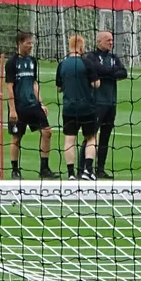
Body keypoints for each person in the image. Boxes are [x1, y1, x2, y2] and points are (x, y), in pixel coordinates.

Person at [3, 30, 58, 180]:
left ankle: (44, 168)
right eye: (28, 43)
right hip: (19, 107)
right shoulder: (12, 63)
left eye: (32, 43)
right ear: (20, 43)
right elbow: (9, 86)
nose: (31, 46)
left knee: (47, 132)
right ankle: (15, 170)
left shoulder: (32, 61)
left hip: (33, 105)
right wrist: (12, 110)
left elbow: (34, 82)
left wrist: (41, 103)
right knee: (16, 138)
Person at [83, 30, 128, 178]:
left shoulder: (114, 57)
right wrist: (111, 72)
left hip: (111, 102)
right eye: (108, 40)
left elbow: (123, 73)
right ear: (99, 42)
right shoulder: (91, 56)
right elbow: (95, 69)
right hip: (96, 102)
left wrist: (106, 73)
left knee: (106, 137)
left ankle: (100, 169)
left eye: (112, 40)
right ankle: (83, 168)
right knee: (90, 136)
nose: (111, 42)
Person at [55, 33, 100, 180]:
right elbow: (96, 84)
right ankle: (88, 169)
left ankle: (70, 174)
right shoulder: (87, 63)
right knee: (91, 138)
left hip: (69, 108)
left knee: (69, 140)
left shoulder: (62, 64)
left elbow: (59, 88)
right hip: (87, 107)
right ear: (80, 47)